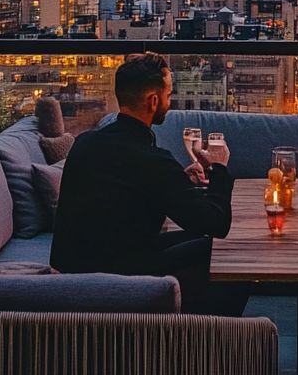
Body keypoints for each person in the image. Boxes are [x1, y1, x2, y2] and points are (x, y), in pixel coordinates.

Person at [50, 51, 237, 314]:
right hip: (122, 278)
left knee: (197, 238)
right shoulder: (152, 160)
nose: (169, 103)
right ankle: (209, 335)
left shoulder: (86, 143)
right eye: (169, 96)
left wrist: (178, 181)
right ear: (152, 100)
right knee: (227, 250)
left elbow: (118, 200)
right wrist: (219, 166)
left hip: (75, 273)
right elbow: (216, 223)